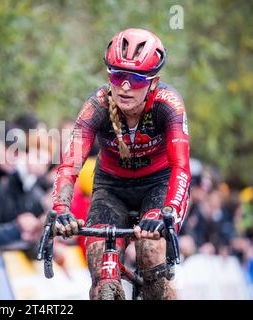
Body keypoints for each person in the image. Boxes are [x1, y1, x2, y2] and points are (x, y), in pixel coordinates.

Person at [51, 28, 190, 300]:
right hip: (112, 187)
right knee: (100, 265)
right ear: (109, 77)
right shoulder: (97, 106)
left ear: (154, 81)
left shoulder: (168, 105)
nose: (125, 86)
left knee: (151, 253)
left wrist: (168, 211)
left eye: (137, 79)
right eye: (118, 76)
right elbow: (70, 163)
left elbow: (180, 167)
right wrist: (61, 208)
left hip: (158, 185)